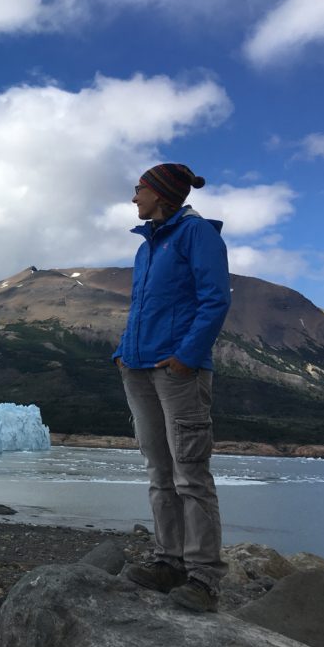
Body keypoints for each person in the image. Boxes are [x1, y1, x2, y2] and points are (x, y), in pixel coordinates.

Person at [113, 163, 231, 613]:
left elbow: (215, 298)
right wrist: (124, 351)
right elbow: (145, 306)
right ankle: (168, 561)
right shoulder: (147, 247)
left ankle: (202, 577)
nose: (133, 198)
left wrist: (187, 356)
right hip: (138, 367)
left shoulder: (197, 234)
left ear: (160, 194)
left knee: (190, 473)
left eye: (138, 189)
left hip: (178, 370)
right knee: (159, 472)